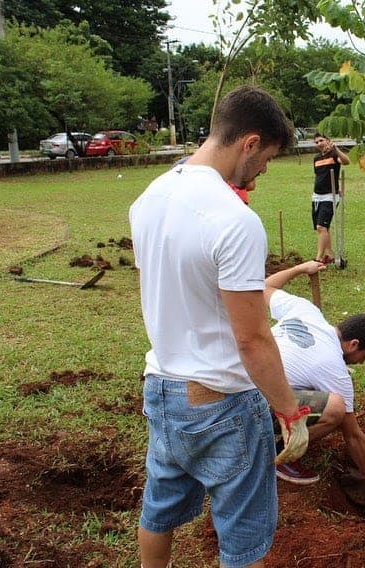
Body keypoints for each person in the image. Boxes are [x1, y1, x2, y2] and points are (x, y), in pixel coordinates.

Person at [130, 86, 310, 568]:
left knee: (160, 512)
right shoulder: (235, 220)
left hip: (162, 390)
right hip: (221, 402)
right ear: (249, 143)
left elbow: (159, 289)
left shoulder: (149, 197)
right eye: (267, 157)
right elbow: (252, 338)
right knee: (244, 536)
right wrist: (291, 412)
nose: (265, 169)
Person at [263, 260, 365, 504]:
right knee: (335, 409)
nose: (361, 363)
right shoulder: (334, 368)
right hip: (255, 405)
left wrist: (300, 269)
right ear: (354, 345)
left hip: (237, 388)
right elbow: (352, 435)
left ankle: (271, 434)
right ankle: (282, 457)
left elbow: (265, 286)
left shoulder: (305, 309)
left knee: (308, 389)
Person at [312, 133, 350, 264]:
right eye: (316, 142)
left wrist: (336, 150)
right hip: (317, 196)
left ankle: (319, 258)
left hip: (330, 196)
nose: (319, 144)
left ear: (328, 140)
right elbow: (320, 176)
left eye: (321, 140)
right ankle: (329, 255)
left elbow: (346, 161)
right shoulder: (316, 158)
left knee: (321, 227)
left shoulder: (334, 155)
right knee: (324, 228)